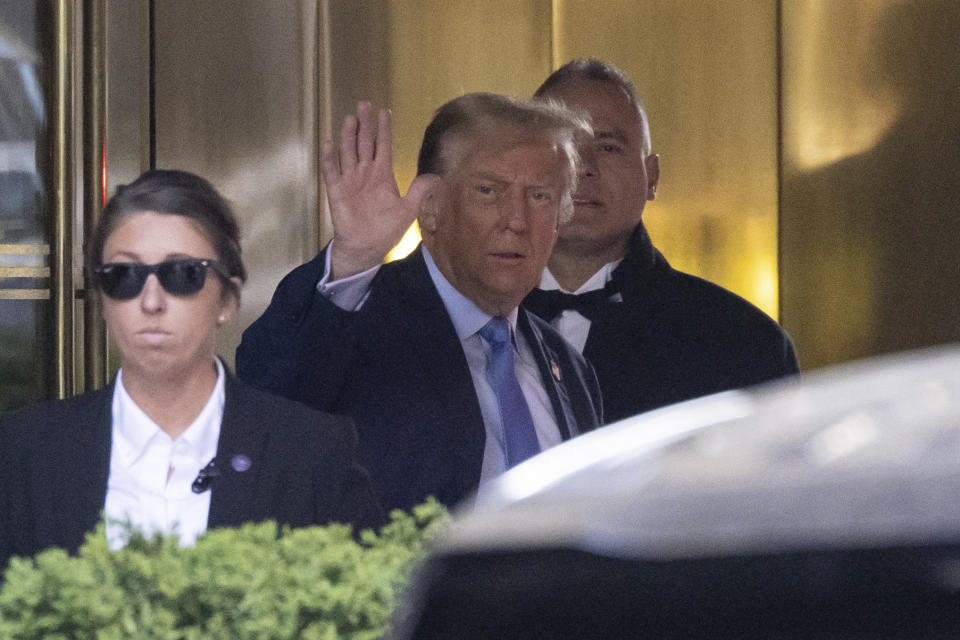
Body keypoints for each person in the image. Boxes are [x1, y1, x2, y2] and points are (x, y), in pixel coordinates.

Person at [237, 94, 603, 513]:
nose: (516, 220)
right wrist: (354, 259)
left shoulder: (569, 367)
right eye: (488, 190)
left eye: (540, 196)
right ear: (430, 208)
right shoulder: (359, 319)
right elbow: (263, 409)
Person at [0, 170, 382, 568]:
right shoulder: (21, 454)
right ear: (102, 300)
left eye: (182, 274)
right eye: (124, 276)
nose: (151, 301)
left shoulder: (313, 453)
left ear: (227, 299)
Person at [523, 59, 799, 424]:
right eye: (563, 146)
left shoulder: (741, 342)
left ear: (651, 177)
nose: (583, 166)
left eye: (607, 147)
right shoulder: (464, 315)